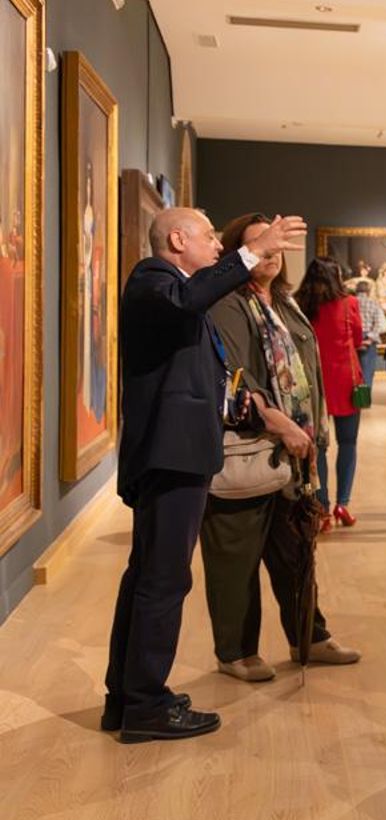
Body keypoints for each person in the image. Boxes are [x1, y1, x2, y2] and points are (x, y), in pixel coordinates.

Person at [108, 207, 305, 742]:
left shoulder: (177, 292)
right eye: (209, 236)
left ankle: (127, 698)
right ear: (177, 238)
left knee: (149, 576)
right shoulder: (155, 279)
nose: (218, 245)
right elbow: (190, 300)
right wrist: (253, 250)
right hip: (171, 457)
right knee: (163, 579)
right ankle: (146, 704)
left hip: (180, 452)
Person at [199, 214, 363, 682]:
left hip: (295, 451)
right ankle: (236, 651)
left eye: (275, 246)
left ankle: (309, 635)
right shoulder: (225, 302)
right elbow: (235, 375)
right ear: (236, 252)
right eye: (258, 244)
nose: (271, 253)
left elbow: (306, 367)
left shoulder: (285, 303)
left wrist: (311, 431)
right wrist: (280, 423)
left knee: (295, 549)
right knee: (236, 554)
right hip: (248, 446)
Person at [294, 258, 365, 530]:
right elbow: (357, 340)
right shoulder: (349, 303)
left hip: (312, 384)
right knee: (348, 444)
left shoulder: (299, 304)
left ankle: (321, 508)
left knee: (318, 448)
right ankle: (342, 504)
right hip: (346, 382)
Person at [355, 271, 386, 394]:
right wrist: (369, 339)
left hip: (353, 338)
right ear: (368, 291)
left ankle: (353, 399)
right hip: (369, 338)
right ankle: (363, 400)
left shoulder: (351, 302)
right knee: (367, 370)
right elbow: (378, 323)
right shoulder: (373, 303)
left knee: (353, 371)